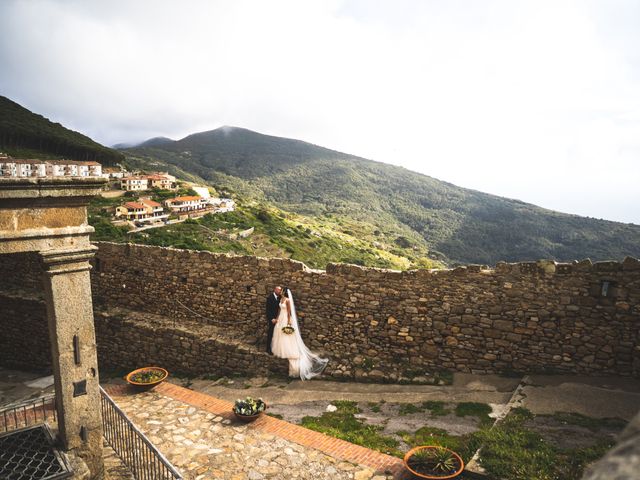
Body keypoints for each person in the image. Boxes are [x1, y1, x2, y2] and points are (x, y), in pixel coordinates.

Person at [271, 287, 328, 379]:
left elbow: (289, 313)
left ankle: (288, 349)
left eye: (282, 291)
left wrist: (289, 322)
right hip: (281, 317)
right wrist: (277, 318)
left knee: (286, 335)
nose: (280, 292)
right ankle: (282, 348)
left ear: (284, 292)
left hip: (286, 318)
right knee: (279, 333)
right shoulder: (281, 299)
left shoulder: (288, 300)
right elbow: (279, 310)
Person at [265, 285, 282, 354]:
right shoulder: (270, 297)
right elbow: (268, 310)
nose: (279, 291)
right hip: (272, 319)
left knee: (277, 334)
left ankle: (274, 348)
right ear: (275, 290)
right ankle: (268, 348)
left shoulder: (280, 298)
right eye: (278, 290)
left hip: (278, 319)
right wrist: (271, 319)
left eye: (280, 290)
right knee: (270, 333)